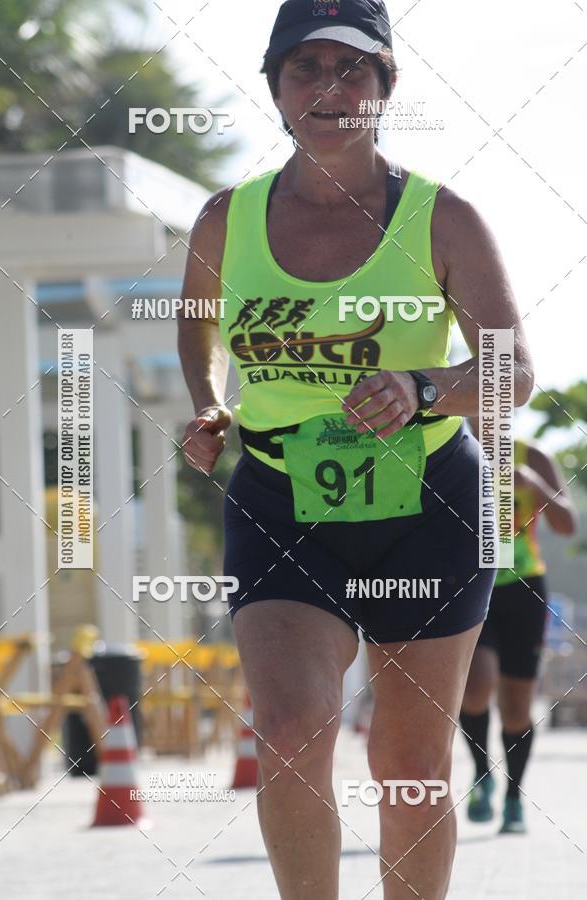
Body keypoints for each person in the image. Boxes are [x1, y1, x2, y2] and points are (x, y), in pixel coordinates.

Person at [177, 1, 534, 896]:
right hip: (279, 501)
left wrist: (422, 388)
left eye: (353, 69)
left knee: (407, 765)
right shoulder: (227, 219)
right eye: (305, 69)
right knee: (290, 733)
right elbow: (197, 324)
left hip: (431, 508)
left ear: (387, 87)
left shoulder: (443, 218)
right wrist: (208, 403)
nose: (329, 89)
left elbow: (512, 371)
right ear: (274, 86)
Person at [460, 422, 577, 834]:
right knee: (476, 688)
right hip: (471, 583)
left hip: (524, 587)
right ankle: (481, 774)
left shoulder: (532, 455)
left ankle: (513, 797)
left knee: (515, 707)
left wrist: (534, 487)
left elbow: (567, 525)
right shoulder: (450, 448)